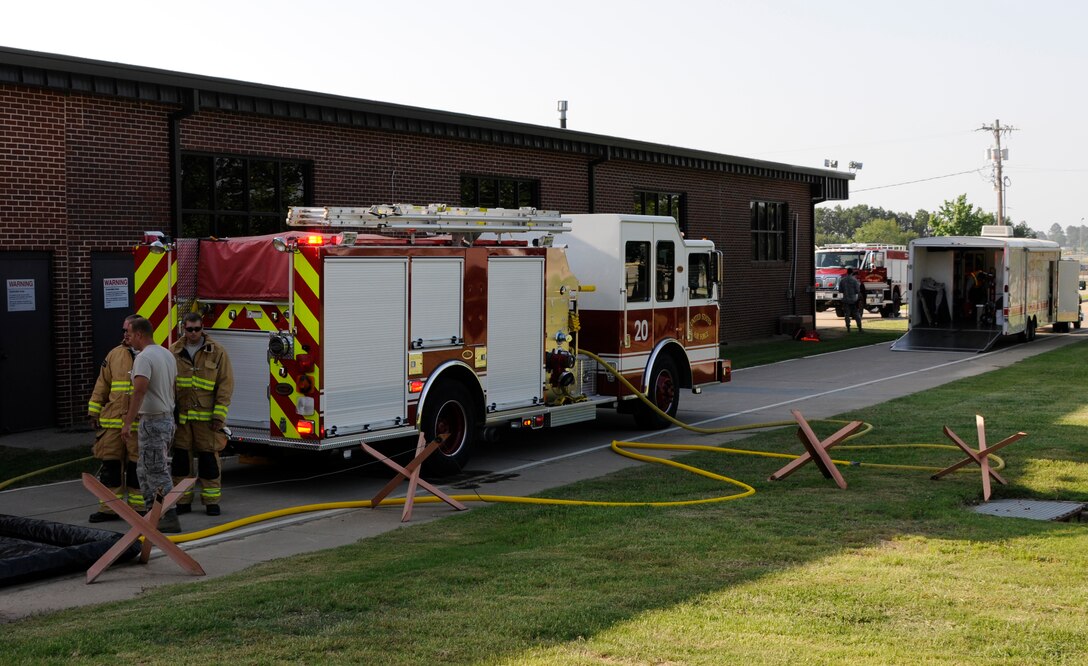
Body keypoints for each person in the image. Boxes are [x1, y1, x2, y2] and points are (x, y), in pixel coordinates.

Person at [121, 316, 181, 533]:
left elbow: (140, 390)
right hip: (164, 418)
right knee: (145, 468)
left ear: (139, 334)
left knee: (155, 469)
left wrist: (127, 422)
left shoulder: (144, 358)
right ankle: (153, 513)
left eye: (129, 334)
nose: (127, 338)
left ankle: (167, 515)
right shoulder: (166, 354)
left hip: (153, 421)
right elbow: (172, 387)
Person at [170, 312, 234, 516]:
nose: (193, 333)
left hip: (207, 420)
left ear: (202, 328)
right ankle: (182, 501)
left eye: (197, 329)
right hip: (181, 418)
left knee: (208, 461)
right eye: (189, 329)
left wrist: (219, 416)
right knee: (181, 462)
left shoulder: (217, 352)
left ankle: (211, 502)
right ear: (183, 329)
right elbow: (168, 384)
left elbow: (225, 385)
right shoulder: (174, 352)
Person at [86, 314, 144, 522]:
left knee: (137, 466)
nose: (124, 334)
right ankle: (109, 509)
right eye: (123, 330)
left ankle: (139, 508)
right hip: (111, 423)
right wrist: (94, 411)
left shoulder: (150, 355)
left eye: (127, 330)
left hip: (138, 424)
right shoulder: (114, 355)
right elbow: (102, 385)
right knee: (110, 465)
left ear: (138, 332)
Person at [838, 267, 863, 332]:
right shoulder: (855, 280)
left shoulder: (842, 280)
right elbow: (858, 290)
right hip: (853, 300)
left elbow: (840, 290)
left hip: (845, 299)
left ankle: (848, 328)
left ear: (847, 272)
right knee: (856, 314)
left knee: (847, 314)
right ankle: (859, 327)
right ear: (852, 272)